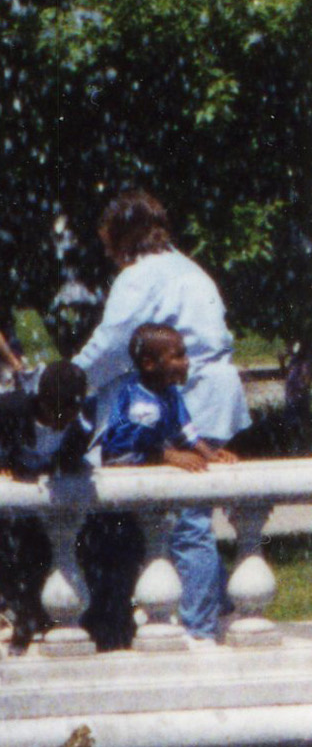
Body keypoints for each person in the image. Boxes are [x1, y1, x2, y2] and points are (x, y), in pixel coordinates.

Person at [80, 190, 247, 640]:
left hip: (189, 396)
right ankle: (212, 607)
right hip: (214, 394)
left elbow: (114, 345)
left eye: (108, 244)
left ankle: (196, 629)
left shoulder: (140, 277)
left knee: (186, 521)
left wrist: (67, 384)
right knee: (190, 516)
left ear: (121, 237)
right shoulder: (189, 268)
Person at [83, 321, 235, 652]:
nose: (185, 362)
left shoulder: (168, 393)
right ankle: (112, 629)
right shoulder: (137, 399)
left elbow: (186, 430)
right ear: (150, 364)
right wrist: (166, 455)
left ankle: (182, 624)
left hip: (150, 491)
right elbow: (119, 450)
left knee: (163, 547)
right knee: (123, 562)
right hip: (123, 498)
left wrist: (209, 453)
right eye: (177, 356)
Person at [0, 358, 92, 650]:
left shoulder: (80, 426)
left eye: (71, 412)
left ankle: (27, 624)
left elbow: (71, 459)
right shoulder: (9, 408)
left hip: (34, 507)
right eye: (58, 411)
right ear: (43, 401)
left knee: (38, 558)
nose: (63, 420)